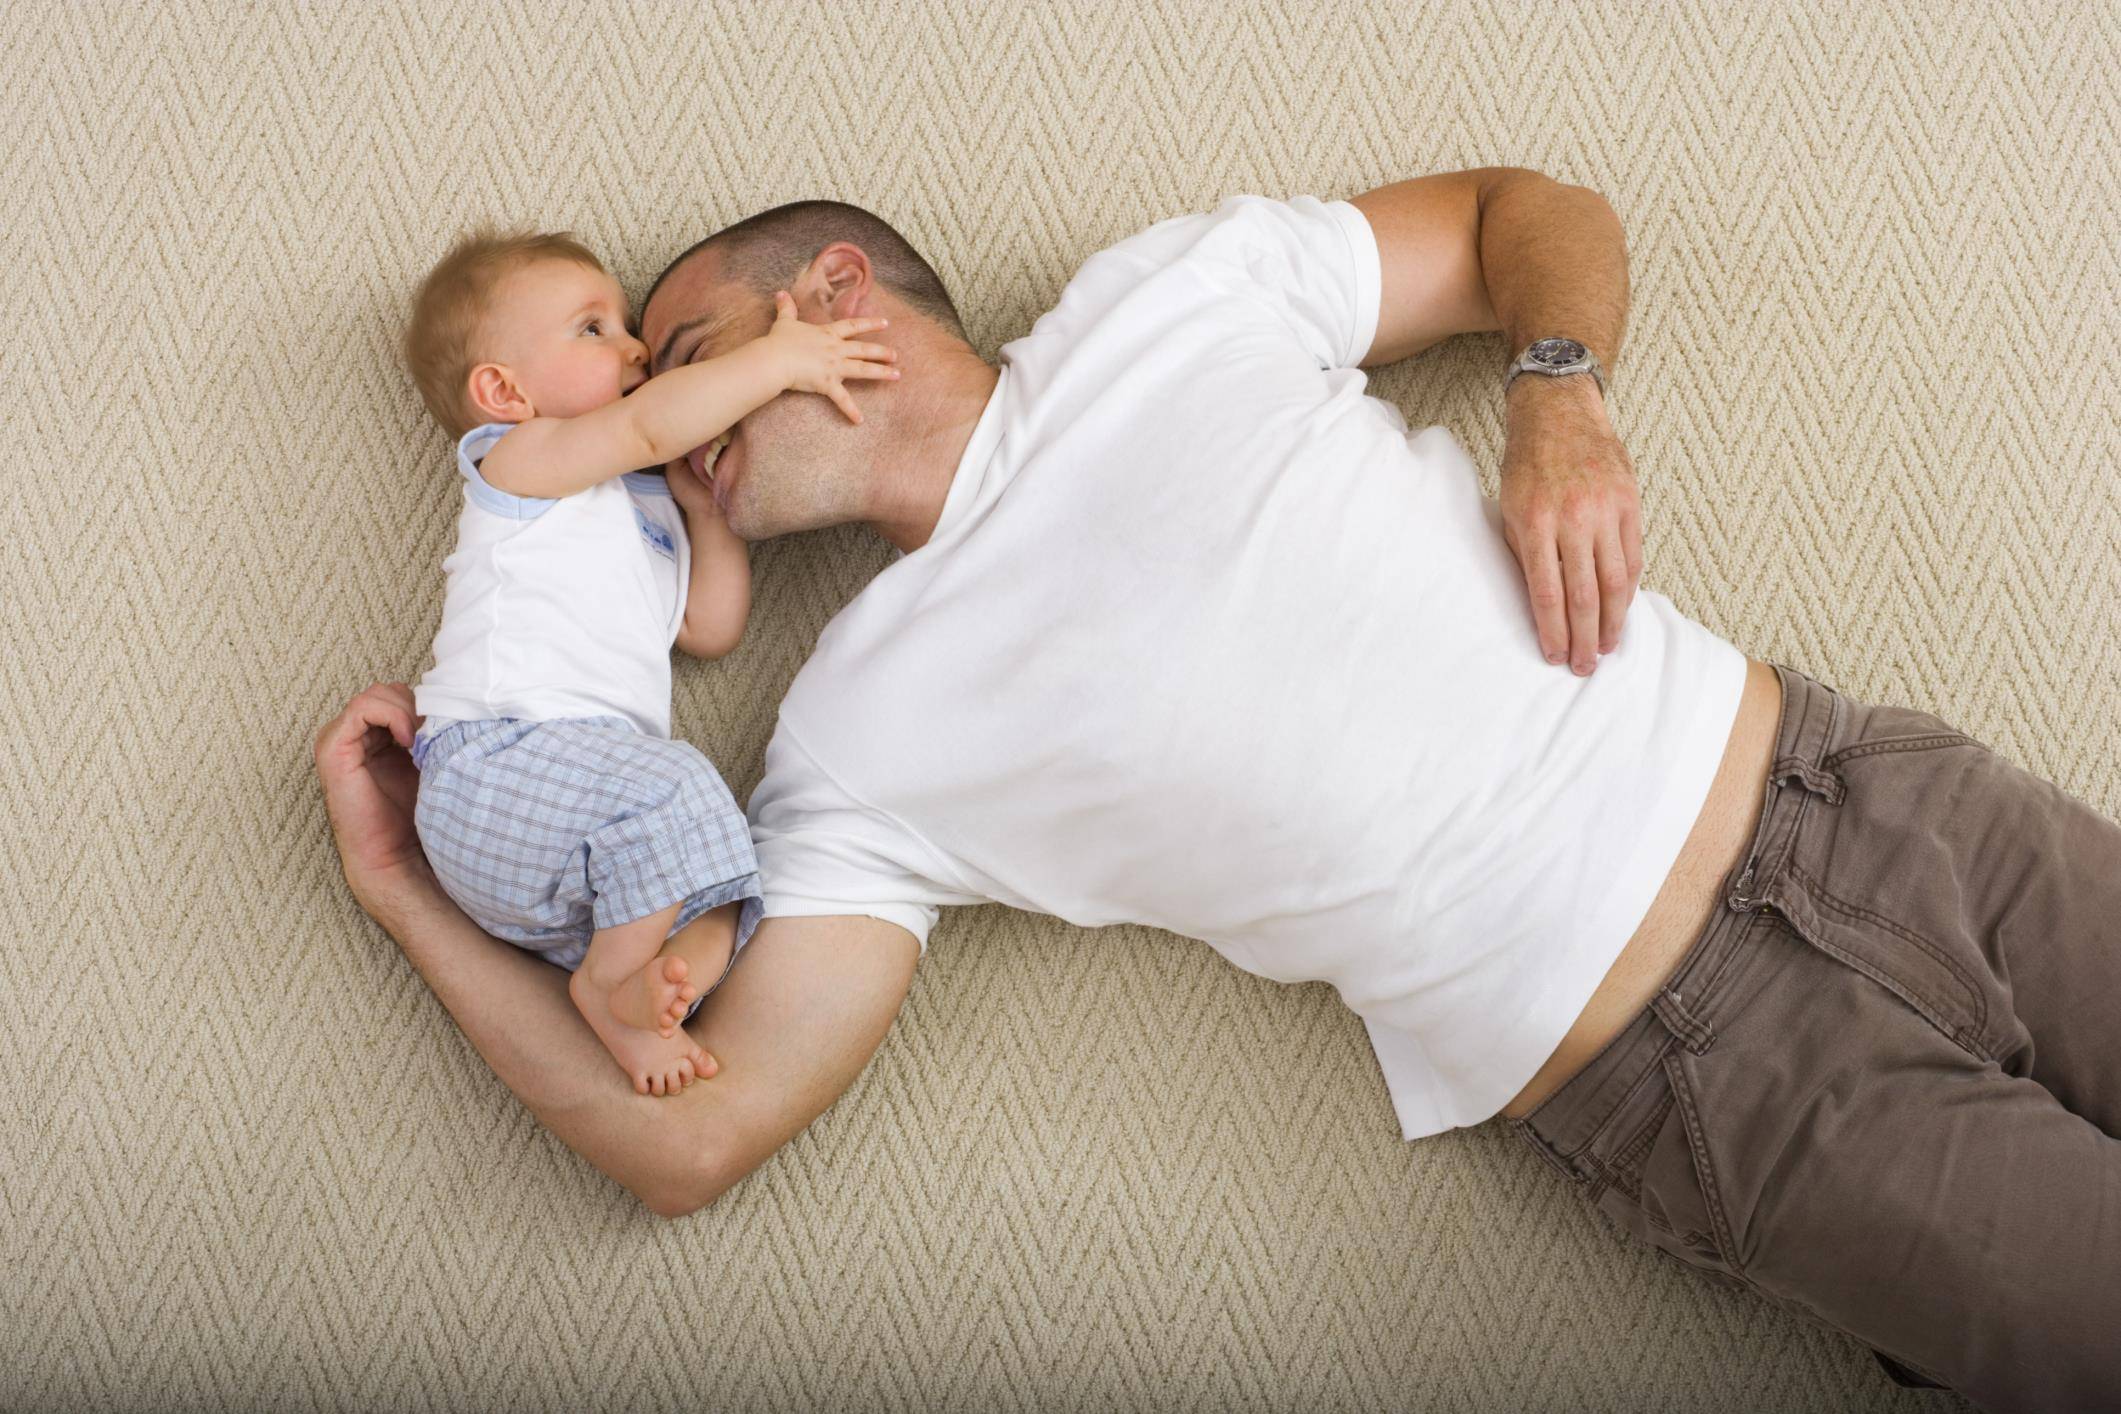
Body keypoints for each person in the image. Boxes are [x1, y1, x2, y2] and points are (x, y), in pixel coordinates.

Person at [318, 171, 2120, 1410]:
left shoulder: (1166, 297)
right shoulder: (853, 742)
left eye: (681, 359)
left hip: (1870, 799)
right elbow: (687, 1139)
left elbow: (1524, 214)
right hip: (1709, 1081)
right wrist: (405, 889)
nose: (658, 437)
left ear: (833, 296)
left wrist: (1557, 395)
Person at [394, 227, 897, 1096]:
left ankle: (648, 996)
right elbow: (645, 422)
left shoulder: (643, 507)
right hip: (503, 761)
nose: (634, 349)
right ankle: (608, 989)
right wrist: (779, 361)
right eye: (594, 329)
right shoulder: (518, 464)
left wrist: (701, 512)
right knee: (680, 785)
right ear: (504, 392)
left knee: (732, 884)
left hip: (577, 853)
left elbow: (708, 626)